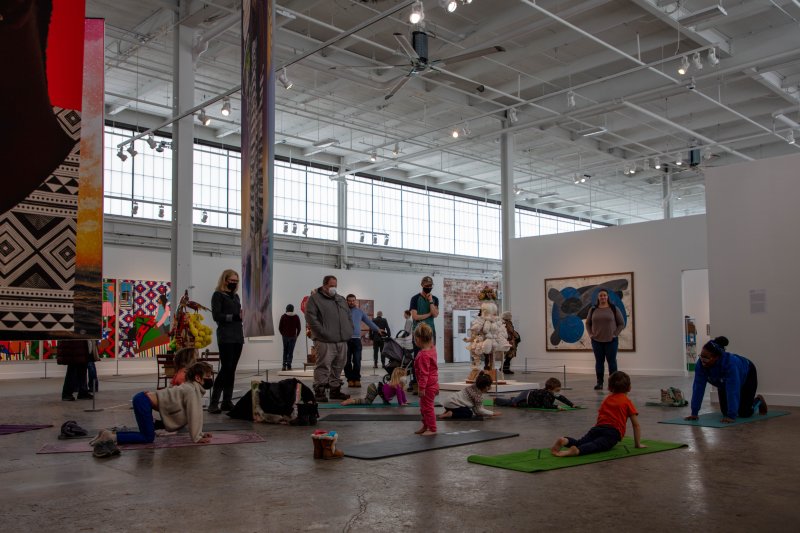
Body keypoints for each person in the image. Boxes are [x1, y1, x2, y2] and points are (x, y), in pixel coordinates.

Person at [89, 362, 215, 457]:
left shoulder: (190, 388)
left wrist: (200, 433)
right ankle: (110, 436)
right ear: (198, 378)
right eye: (208, 376)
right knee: (147, 437)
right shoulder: (191, 391)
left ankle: (108, 434)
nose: (210, 379)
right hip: (143, 401)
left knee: (148, 433)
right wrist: (197, 437)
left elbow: (192, 414)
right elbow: (194, 414)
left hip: (143, 400)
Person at [551, 371, 643, 457]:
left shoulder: (607, 399)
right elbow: (636, 425)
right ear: (629, 388)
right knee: (597, 445)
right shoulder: (627, 402)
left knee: (581, 442)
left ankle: (565, 440)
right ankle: (577, 451)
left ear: (609, 387)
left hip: (597, 428)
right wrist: (637, 444)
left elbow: (601, 415)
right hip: (613, 433)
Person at [685, 336, 768, 423]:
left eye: (706, 358)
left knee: (745, 413)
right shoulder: (701, 365)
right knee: (725, 412)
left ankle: (759, 400)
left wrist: (732, 416)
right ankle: (733, 410)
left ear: (716, 357)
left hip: (747, 374)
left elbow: (733, 390)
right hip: (722, 381)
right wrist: (694, 413)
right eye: (701, 356)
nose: (702, 360)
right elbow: (698, 388)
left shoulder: (730, 365)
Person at [305, 275, 354, 403]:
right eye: (331, 286)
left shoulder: (340, 299)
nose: (334, 288)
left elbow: (348, 316)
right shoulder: (315, 299)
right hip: (324, 340)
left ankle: (335, 391)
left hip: (342, 340)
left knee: (339, 366)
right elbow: (310, 317)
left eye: (335, 286)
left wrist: (349, 330)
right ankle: (320, 391)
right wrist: (322, 332)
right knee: (323, 366)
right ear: (324, 285)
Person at [208, 269, 244, 414]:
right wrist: (233, 317)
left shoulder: (236, 297)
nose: (234, 284)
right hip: (225, 336)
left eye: (236, 281)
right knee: (225, 368)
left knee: (232, 369)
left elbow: (238, 315)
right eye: (232, 281)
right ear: (225, 280)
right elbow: (217, 316)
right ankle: (214, 402)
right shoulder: (217, 295)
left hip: (237, 336)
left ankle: (227, 401)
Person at [586, 288, 625, 390]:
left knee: (611, 362)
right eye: (600, 295)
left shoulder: (614, 308)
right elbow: (587, 323)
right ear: (598, 298)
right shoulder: (593, 309)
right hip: (596, 341)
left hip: (611, 341)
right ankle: (600, 383)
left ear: (607, 297)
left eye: (604, 295)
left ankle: (613, 384)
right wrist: (590, 334)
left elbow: (621, 324)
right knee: (599, 362)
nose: (603, 297)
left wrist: (615, 334)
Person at [345, 294, 383, 388]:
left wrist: (378, 329)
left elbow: (369, 322)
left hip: (357, 340)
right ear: (346, 301)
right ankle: (350, 379)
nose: (351, 302)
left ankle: (357, 379)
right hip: (345, 340)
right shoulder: (343, 311)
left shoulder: (359, 311)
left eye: (353, 300)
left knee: (357, 360)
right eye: (349, 300)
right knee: (347, 361)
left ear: (356, 301)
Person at [409, 276, 439, 392]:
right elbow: (415, 316)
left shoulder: (435, 299)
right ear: (422, 285)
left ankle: (432, 384)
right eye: (426, 286)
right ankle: (417, 384)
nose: (428, 288)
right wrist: (428, 314)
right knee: (418, 358)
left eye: (430, 286)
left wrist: (431, 301)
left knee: (431, 358)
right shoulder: (415, 299)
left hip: (431, 332)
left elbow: (435, 314)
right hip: (418, 332)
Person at [413, 323, 439, 436]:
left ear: (418, 339)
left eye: (415, 339)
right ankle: (425, 425)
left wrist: (421, 388)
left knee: (427, 408)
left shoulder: (424, 355)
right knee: (423, 408)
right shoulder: (432, 348)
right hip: (432, 383)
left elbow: (424, 374)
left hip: (427, 386)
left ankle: (432, 429)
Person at [495, 377, 576, 409]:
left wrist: (571, 404)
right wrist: (557, 406)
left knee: (516, 401)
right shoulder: (547, 394)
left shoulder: (551, 393)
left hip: (531, 398)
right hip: (526, 397)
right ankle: (496, 400)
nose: (559, 392)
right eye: (557, 390)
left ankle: (514, 399)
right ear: (550, 390)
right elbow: (547, 405)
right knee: (512, 403)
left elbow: (562, 398)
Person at [341, 368, 409, 406]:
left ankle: (351, 400)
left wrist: (405, 401)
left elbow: (402, 393)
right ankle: (351, 401)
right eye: (404, 376)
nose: (405, 377)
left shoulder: (398, 385)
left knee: (386, 402)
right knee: (367, 401)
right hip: (374, 388)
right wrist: (401, 403)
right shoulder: (396, 385)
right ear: (399, 377)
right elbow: (399, 395)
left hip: (378, 388)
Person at [278, 304, 302, 371]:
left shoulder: (283, 316)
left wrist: (283, 334)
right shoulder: (296, 317)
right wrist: (296, 335)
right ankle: (289, 366)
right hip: (293, 337)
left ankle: (283, 366)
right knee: (290, 352)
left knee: (285, 351)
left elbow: (280, 327)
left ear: (286, 309)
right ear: (293, 309)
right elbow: (299, 328)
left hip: (285, 337)